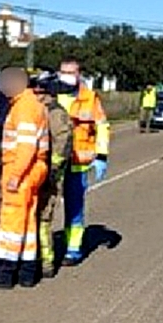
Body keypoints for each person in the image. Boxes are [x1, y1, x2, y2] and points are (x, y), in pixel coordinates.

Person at [0, 67, 49, 288]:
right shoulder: (31, 104)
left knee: (11, 222)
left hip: (21, 170)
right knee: (27, 222)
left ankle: (4, 272)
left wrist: (15, 176)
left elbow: (26, 147)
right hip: (33, 169)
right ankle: (27, 271)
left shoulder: (24, 108)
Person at [56, 57, 110, 266]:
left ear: (79, 74)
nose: (67, 76)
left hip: (79, 161)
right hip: (53, 161)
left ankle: (73, 248)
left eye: (72, 72)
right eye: (64, 72)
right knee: (45, 207)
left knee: (74, 208)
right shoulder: (52, 94)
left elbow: (102, 127)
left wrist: (101, 155)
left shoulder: (90, 98)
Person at [32, 71, 73, 279]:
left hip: (47, 175)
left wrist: (53, 172)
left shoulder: (56, 113)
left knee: (43, 218)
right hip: (31, 173)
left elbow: (62, 145)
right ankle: (32, 258)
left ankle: (46, 262)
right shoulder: (35, 110)